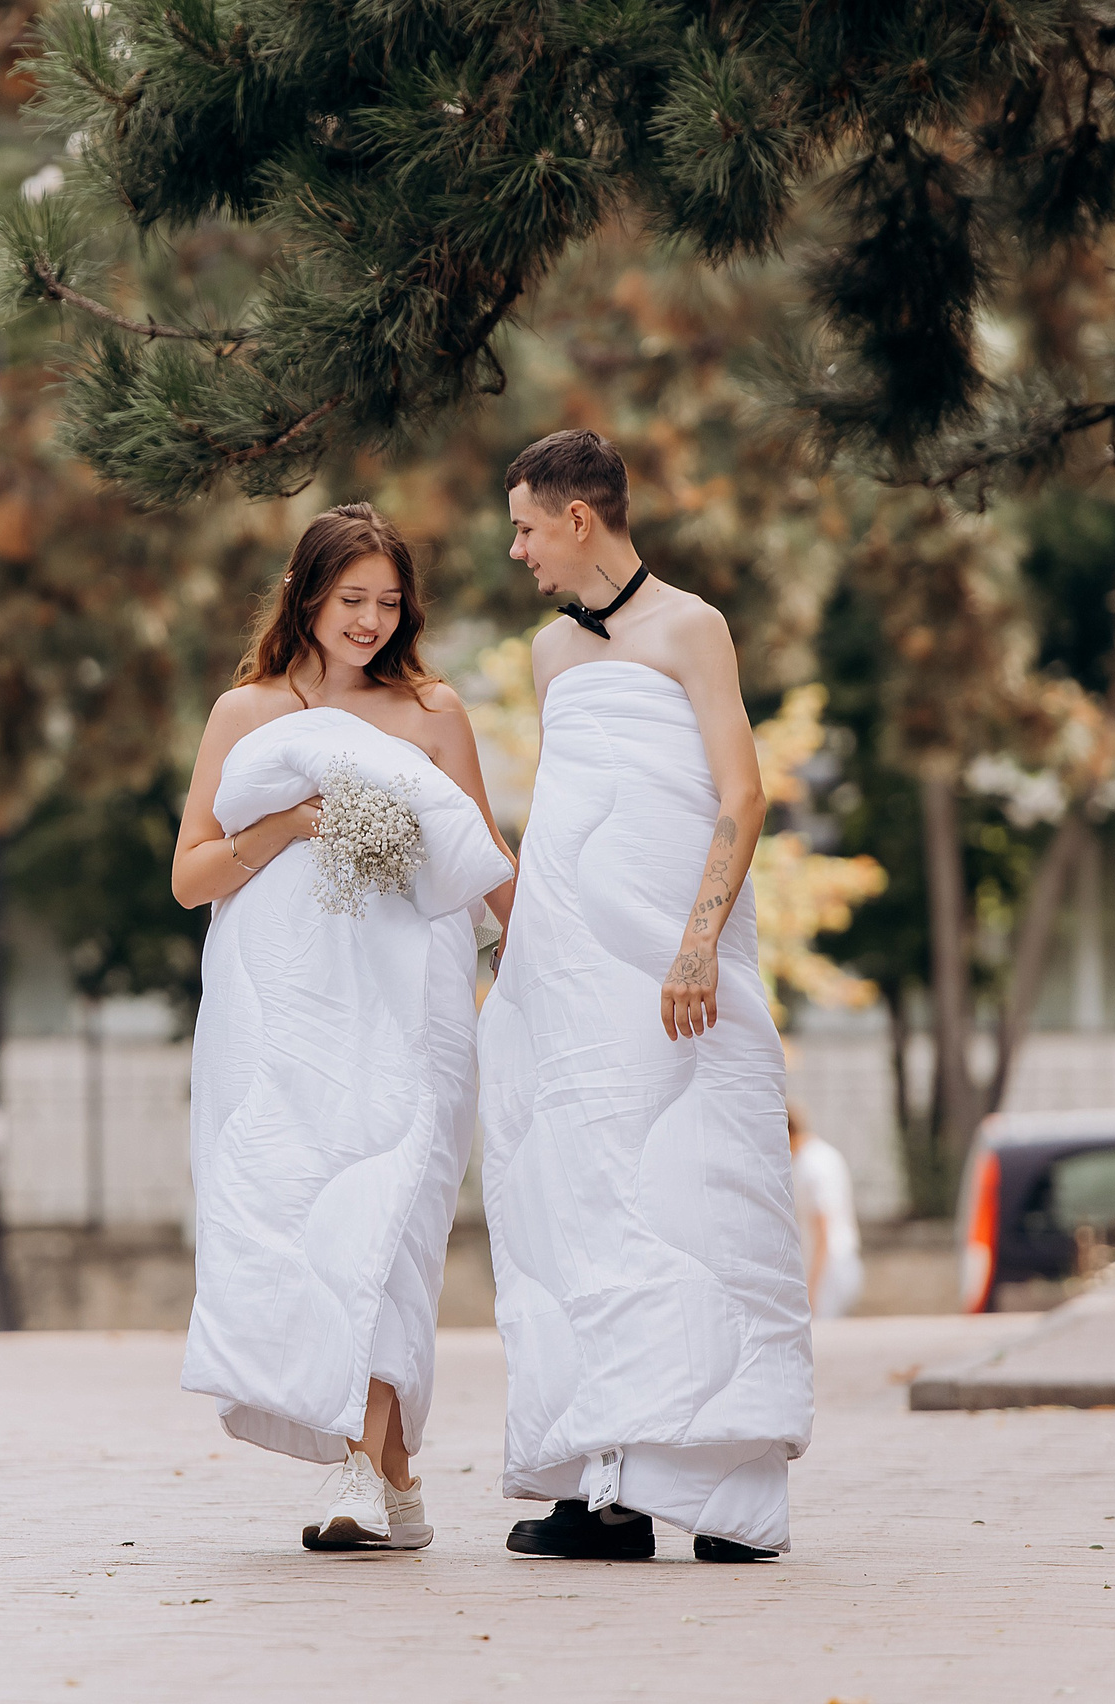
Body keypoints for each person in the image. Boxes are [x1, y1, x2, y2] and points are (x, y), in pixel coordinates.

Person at [477, 429, 814, 1564]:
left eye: (525, 525)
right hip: (570, 977)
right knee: (579, 1209)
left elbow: (741, 790)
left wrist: (696, 946)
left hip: (681, 970)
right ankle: (603, 1491)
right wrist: (516, 962)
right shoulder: (544, 657)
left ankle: (726, 1492)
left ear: (581, 517)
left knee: (704, 1202)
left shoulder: (692, 627)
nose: (515, 548)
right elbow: (562, 818)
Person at [172, 502, 517, 1553]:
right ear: (305, 596)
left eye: (388, 602)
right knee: (305, 1229)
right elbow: (191, 877)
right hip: (284, 1029)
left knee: (385, 1233)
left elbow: (483, 869)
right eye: (350, 600)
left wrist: (559, 975)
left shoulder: (431, 713)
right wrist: (287, 825)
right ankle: (393, 1475)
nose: (369, 621)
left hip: (410, 1022)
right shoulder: (246, 713)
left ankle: (365, 1477)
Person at [789, 1105, 866, 1321]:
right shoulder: (826, 1155)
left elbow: (824, 1230)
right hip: (841, 1260)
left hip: (828, 1268)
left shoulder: (810, 1167)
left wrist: (812, 1288)